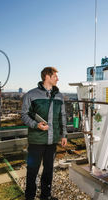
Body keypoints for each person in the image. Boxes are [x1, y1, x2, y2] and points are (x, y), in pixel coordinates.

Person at [21, 67, 67, 200]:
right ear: (47, 76)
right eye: (55, 76)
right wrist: (36, 125)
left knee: (48, 171)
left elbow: (62, 116)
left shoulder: (59, 96)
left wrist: (64, 135)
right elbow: (24, 115)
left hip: (52, 142)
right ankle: (29, 197)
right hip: (36, 141)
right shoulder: (31, 95)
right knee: (32, 170)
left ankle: (45, 196)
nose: (58, 79)